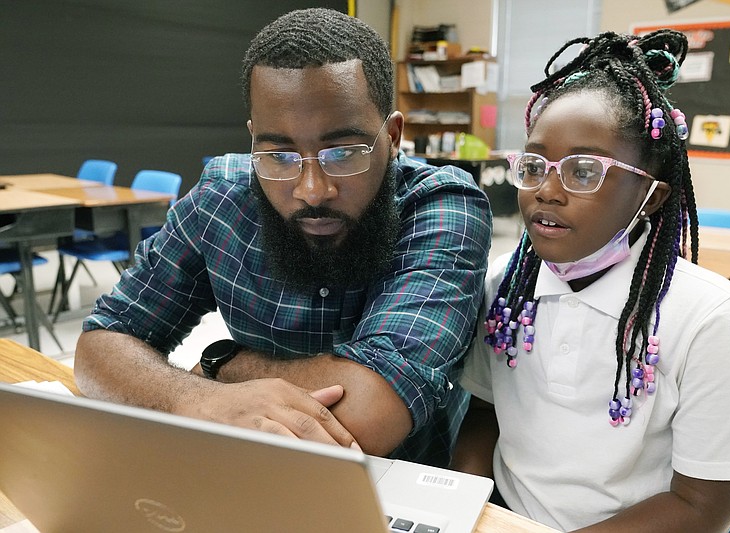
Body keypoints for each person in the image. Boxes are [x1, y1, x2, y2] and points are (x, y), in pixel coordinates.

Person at [74, 8, 492, 468]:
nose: (312, 189)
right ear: (254, 139)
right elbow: (100, 346)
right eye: (279, 154)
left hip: (399, 488)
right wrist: (196, 399)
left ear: (392, 136)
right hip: (244, 470)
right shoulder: (222, 199)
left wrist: (222, 364)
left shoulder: (442, 205)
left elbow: (369, 415)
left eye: (343, 152)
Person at [452, 29, 730, 532]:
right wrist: (467, 510)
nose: (547, 190)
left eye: (585, 172)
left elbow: (704, 506)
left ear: (649, 196)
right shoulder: (506, 289)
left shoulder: (710, 318)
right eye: (535, 165)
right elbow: (484, 414)